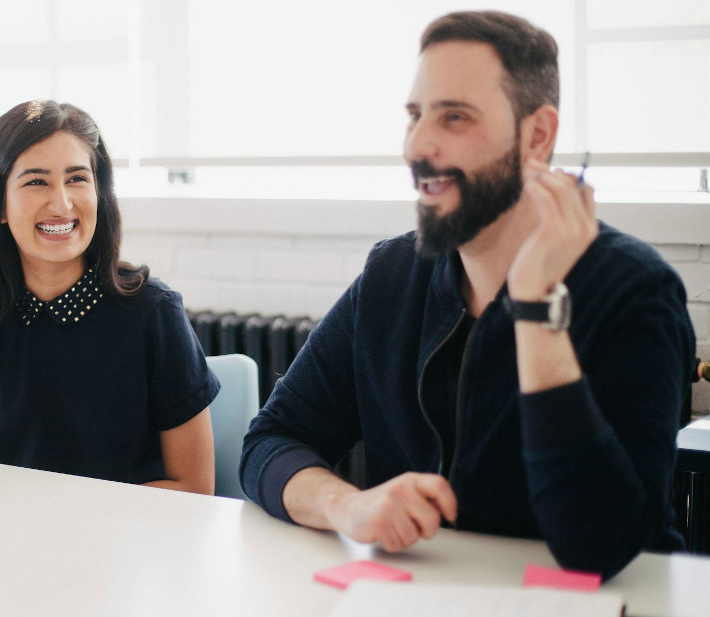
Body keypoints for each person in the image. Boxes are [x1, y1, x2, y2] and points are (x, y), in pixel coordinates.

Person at [240, 11, 694, 580]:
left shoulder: (635, 291)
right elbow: (270, 442)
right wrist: (347, 504)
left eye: (455, 117)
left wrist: (536, 308)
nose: (418, 145)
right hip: (422, 591)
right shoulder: (392, 274)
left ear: (536, 136)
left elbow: (599, 546)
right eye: (415, 115)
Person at [0, 100, 219, 495]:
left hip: (138, 543)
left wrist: (66, 520)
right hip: (18, 541)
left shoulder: (151, 312)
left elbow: (194, 487)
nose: (62, 203)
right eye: (37, 181)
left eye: (77, 179)